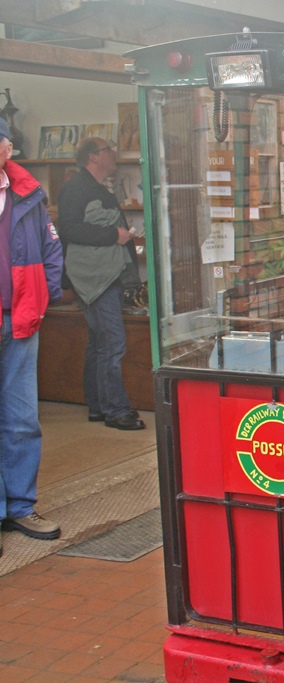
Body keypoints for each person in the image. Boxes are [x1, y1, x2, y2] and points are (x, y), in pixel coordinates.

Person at [0, 118, 65, 552]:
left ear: (7, 149)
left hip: (20, 319)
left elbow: (50, 248)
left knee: (22, 419)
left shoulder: (28, 193)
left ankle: (21, 506)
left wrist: (47, 297)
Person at [57, 137, 145, 431]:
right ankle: (116, 410)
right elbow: (68, 229)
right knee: (112, 343)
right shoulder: (77, 188)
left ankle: (98, 405)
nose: (114, 154)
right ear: (93, 157)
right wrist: (113, 236)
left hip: (103, 274)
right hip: (96, 277)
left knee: (99, 343)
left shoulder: (94, 187)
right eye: (108, 150)